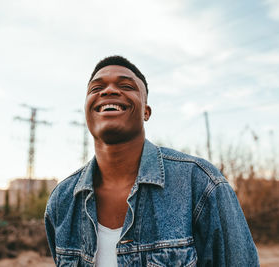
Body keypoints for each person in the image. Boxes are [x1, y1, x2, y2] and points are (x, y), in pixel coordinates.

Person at [45, 55, 259, 266]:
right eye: (96, 88)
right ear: (87, 110)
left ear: (146, 112)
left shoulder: (200, 184)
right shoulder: (61, 201)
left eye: (126, 86)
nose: (108, 90)